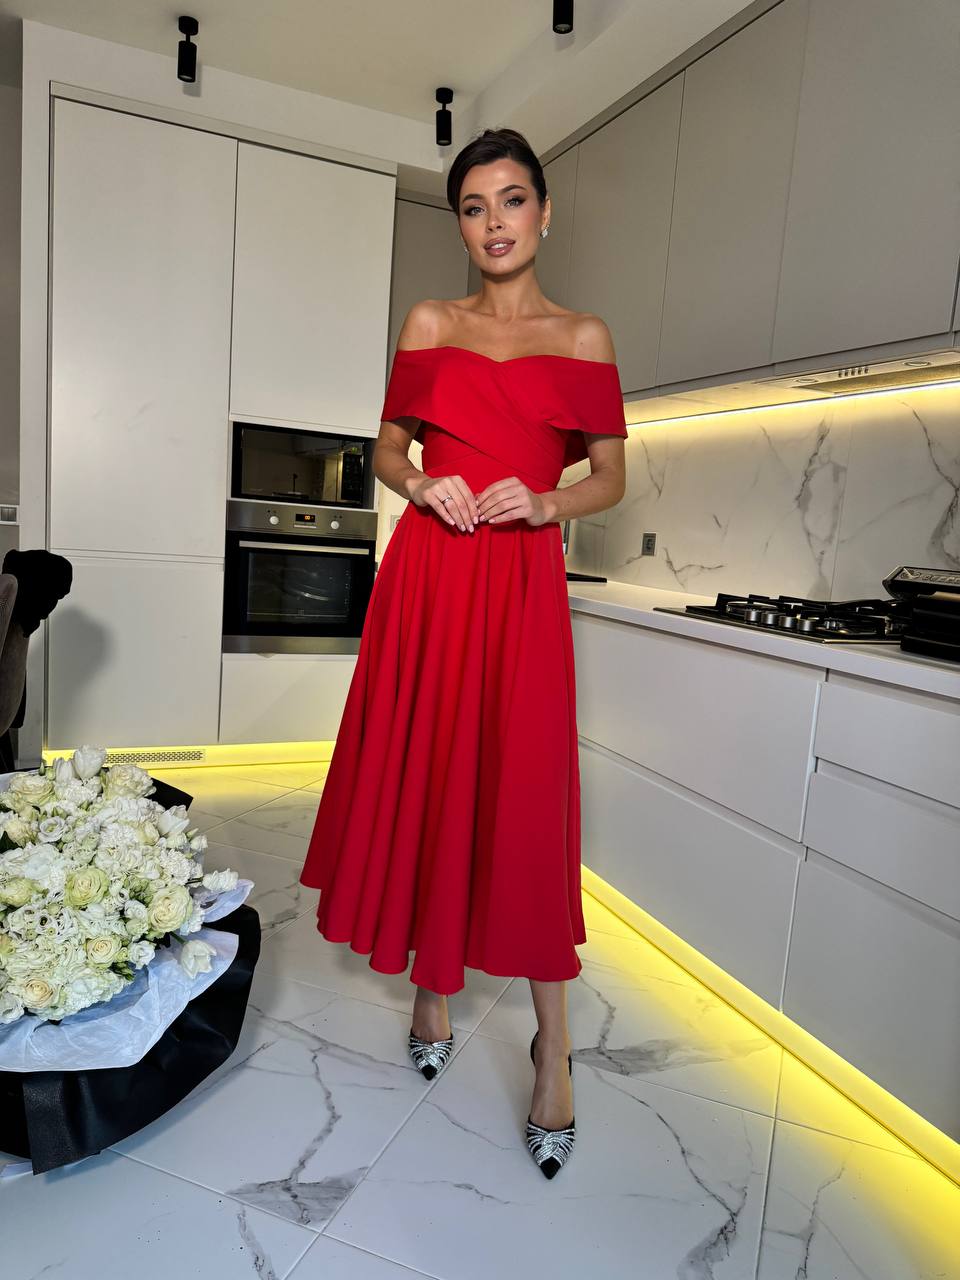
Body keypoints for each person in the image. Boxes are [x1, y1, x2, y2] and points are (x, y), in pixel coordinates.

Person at [300, 126, 627, 1178]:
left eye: (513, 200)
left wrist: (545, 497)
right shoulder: (431, 321)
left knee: (523, 794)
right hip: (431, 579)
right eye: (476, 205)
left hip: (521, 582)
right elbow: (391, 447)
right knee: (432, 769)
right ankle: (433, 987)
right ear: (461, 222)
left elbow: (610, 477)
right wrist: (416, 482)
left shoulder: (585, 338)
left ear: (545, 212)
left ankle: (555, 1043)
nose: (495, 221)